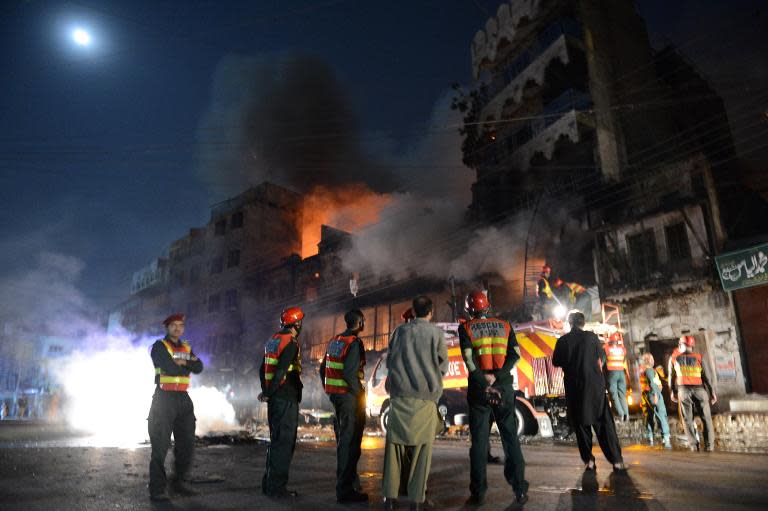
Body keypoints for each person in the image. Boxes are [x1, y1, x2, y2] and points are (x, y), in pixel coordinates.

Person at [459, 291, 529, 507]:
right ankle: (519, 489)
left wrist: (483, 380)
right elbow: (515, 355)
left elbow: (469, 360)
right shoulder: (505, 325)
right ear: (487, 307)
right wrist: (497, 377)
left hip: (479, 390)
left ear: (470, 309)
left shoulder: (466, 328)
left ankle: (478, 494)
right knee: (510, 438)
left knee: (479, 443)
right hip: (504, 387)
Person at [382, 295, 448, 511]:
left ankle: (390, 499)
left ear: (413, 311)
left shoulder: (399, 331)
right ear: (430, 312)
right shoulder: (436, 334)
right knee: (422, 452)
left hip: (399, 398)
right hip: (425, 399)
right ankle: (416, 501)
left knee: (394, 450)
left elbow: (390, 361)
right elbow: (443, 367)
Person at [553, 312, 627, 472]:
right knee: (604, 425)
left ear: (570, 323)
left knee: (581, 427)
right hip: (595, 389)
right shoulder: (592, 338)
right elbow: (601, 358)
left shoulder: (563, 341)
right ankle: (616, 461)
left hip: (575, 390)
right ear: (583, 323)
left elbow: (555, 361)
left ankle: (589, 461)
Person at [147, 313, 204, 501]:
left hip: (183, 399)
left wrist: (184, 363)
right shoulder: (159, 347)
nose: (178, 328)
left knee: (187, 444)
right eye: (174, 325)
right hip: (164, 399)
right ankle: (157, 490)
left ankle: (178, 484)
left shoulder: (186, 347)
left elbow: (200, 367)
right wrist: (187, 364)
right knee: (160, 446)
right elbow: (170, 368)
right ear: (167, 328)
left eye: (180, 325)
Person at [319, 309, 368, 503]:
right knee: (349, 444)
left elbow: (323, 369)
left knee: (343, 442)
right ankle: (345, 490)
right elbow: (349, 374)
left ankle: (349, 483)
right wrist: (359, 395)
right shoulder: (354, 343)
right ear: (359, 322)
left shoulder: (335, 341)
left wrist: (330, 390)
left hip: (337, 398)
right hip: (349, 399)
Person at [259, 306, 305, 498]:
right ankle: (277, 488)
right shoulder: (291, 343)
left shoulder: (273, 341)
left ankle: (269, 483)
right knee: (284, 443)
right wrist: (269, 392)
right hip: (285, 398)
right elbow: (280, 371)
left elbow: (262, 369)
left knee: (276, 441)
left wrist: (266, 391)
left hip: (275, 398)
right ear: (296, 323)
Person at [669, 335, 716, 452]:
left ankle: (694, 445)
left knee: (687, 420)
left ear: (680, 345)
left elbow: (671, 377)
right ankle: (709, 445)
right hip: (700, 391)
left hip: (683, 392)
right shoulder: (699, 358)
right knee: (706, 419)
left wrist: (672, 392)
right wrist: (712, 392)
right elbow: (707, 378)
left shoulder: (674, 359)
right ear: (692, 346)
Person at [639, 353, 671, 449]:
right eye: (652, 359)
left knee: (649, 417)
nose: (653, 360)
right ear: (649, 361)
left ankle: (650, 437)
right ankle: (666, 438)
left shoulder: (645, 371)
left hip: (647, 395)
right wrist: (655, 395)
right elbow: (652, 384)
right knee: (661, 415)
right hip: (653, 394)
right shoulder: (649, 371)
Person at [603, 334, 630, 421]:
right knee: (622, 394)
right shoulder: (622, 349)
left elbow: (602, 361)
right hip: (621, 373)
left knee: (614, 395)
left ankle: (620, 414)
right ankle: (626, 414)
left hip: (612, 373)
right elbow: (625, 360)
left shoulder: (607, 349)